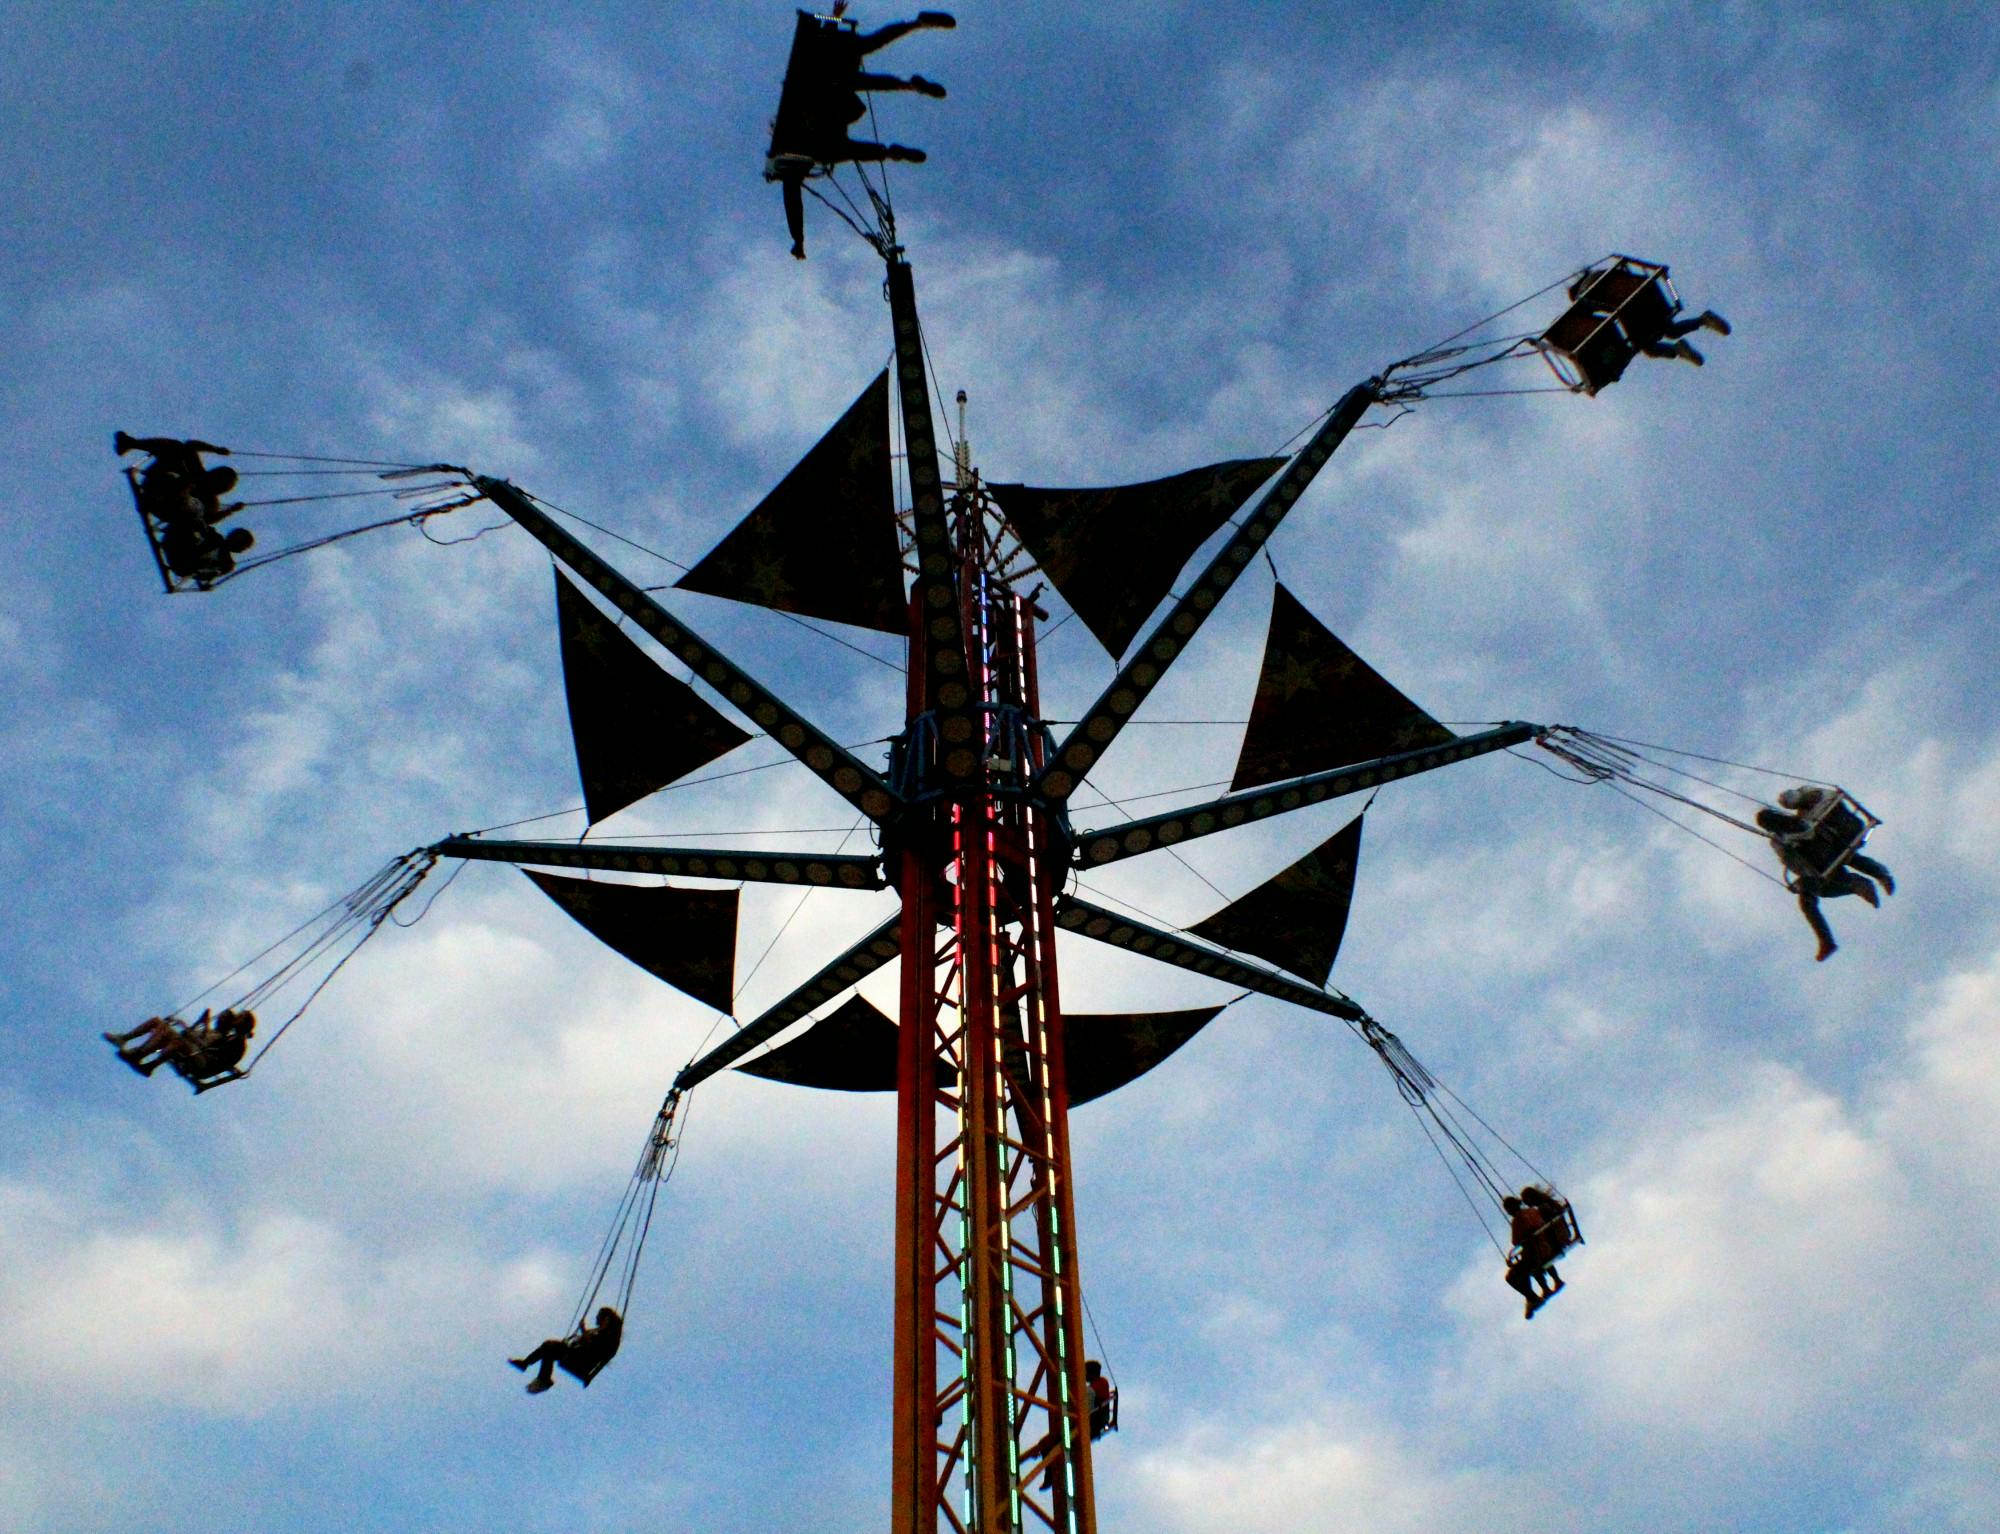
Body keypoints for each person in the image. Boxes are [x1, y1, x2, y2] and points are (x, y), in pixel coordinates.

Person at [765, 10, 954, 258]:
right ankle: (909, 68)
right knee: (860, 65)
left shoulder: (799, 121)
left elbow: (814, 32)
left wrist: (833, 19)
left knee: (853, 73)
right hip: (830, 97)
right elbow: (792, 199)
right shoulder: (802, 147)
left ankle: (908, 79)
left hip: (828, 82)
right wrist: (798, 240)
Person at [1758, 806, 1880, 961]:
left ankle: (1827, 939)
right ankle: (1857, 884)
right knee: (1820, 890)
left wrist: (1801, 878)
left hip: (1821, 860)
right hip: (1823, 861)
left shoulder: (1792, 830)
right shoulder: (1787, 832)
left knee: (1809, 900)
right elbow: (1791, 859)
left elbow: (1795, 855)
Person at [1563, 269, 1730, 369]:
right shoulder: (1605, 272)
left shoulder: (1585, 292)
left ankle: (1677, 350)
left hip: (1632, 310)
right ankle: (1703, 320)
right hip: (1651, 296)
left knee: (1647, 348)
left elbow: (1587, 312)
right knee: (1670, 330)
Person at [1776, 786, 1894, 894]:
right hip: (1852, 829)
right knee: (1846, 856)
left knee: (1837, 858)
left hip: (1841, 835)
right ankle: (1878, 875)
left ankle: (1860, 882)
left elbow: (1807, 831)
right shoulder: (1823, 795)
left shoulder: (1814, 809)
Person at [510, 1306, 624, 1394]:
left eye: (598, 1316)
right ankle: (527, 1365)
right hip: (575, 1354)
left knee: (550, 1347)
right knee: (548, 1346)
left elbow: (594, 1348)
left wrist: (583, 1330)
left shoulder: (610, 1336)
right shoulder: (599, 1331)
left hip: (581, 1359)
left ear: (607, 1319)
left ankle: (543, 1378)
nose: (596, 1318)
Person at [1502, 1194, 1561, 1318]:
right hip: (1546, 1247)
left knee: (1512, 1277)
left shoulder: (1517, 1220)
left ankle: (1532, 1298)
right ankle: (1543, 1290)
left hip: (1534, 1255)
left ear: (1510, 1209)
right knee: (1524, 1267)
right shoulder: (1533, 1211)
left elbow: (1516, 1241)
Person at [1085, 1359, 1115, 1441]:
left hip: (1096, 1419)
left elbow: (1089, 1403)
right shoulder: (1101, 1383)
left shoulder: (1095, 1386)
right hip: (1098, 1418)